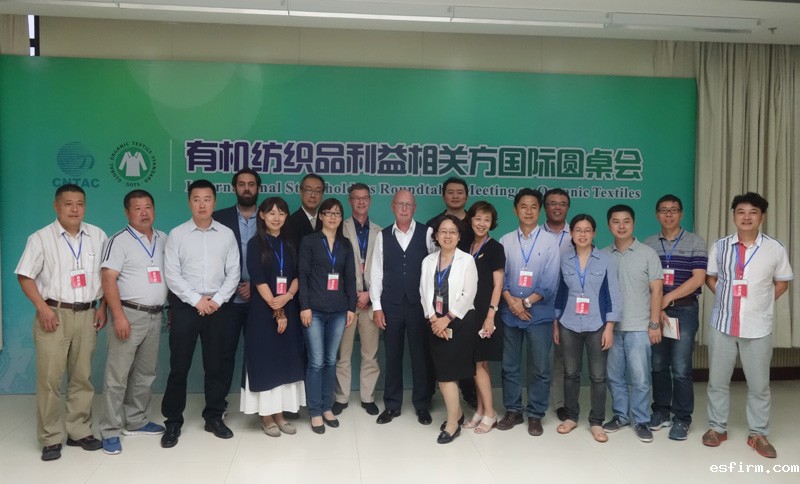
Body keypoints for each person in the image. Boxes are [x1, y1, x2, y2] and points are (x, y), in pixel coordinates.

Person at [15, 184, 108, 461]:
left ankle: (79, 430)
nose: (74, 209)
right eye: (68, 204)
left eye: (80, 203)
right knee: (50, 379)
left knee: (82, 377)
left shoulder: (98, 236)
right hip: (53, 314)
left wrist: (103, 307)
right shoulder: (40, 238)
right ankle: (51, 437)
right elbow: (25, 275)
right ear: (56, 206)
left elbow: (107, 275)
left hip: (88, 313)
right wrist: (42, 308)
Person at [703, 192, 792, 458]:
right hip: (722, 324)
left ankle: (758, 434)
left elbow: (782, 283)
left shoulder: (775, 248)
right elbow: (710, 278)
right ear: (734, 216)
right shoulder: (720, 246)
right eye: (741, 212)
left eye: (753, 212)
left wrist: (760, 303)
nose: (746, 217)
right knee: (717, 382)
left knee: (759, 385)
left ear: (762, 217)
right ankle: (717, 428)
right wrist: (726, 299)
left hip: (758, 327)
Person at [160, 179, 240, 448]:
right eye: (196, 199)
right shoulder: (177, 234)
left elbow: (234, 273)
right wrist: (197, 300)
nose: (202, 204)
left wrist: (216, 301)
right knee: (179, 366)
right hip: (186, 306)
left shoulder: (226, 234)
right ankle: (173, 422)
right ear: (189, 202)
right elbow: (172, 274)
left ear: (214, 202)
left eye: (207, 199)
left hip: (218, 307)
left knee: (215, 366)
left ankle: (214, 416)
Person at [98, 189, 168, 455]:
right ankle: (110, 430)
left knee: (145, 373)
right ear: (127, 212)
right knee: (117, 376)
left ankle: (136, 420)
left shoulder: (163, 239)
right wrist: (118, 316)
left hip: (155, 314)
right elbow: (108, 279)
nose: (144, 213)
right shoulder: (118, 241)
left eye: (148, 207)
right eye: (137, 208)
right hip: (128, 314)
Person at [643, 194, 707, 441]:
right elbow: (646, 280)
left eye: (673, 210)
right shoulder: (649, 244)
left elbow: (698, 279)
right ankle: (661, 411)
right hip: (656, 311)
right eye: (663, 210)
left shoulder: (695, 242)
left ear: (681, 214)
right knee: (658, 364)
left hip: (684, 311)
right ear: (656, 214)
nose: (668, 214)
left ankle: (682, 418)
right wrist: (657, 307)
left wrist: (667, 298)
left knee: (681, 368)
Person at [553, 214, 622, 443]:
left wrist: (609, 327)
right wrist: (556, 323)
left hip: (597, 325)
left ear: (594, 233)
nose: (582, 234)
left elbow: (613, 295)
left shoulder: (605, 260)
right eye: (578, 230)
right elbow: (560, 293)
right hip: (568, 323)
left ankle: (596, 422)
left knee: (598, 376)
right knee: (570, 373)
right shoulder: (565, 259)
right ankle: (571, 417)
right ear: (571, 233)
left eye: (587, 230)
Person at [240, 197, 305, 437]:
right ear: (262, 215)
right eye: (271, 213)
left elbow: (298, 275)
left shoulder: (290, 242)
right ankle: (266, 417)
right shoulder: (255, 244)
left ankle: (280, 414)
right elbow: (258, 280)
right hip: (263, 312)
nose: (276, 218)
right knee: (266, 362)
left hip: (289, 306)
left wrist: (287, 297)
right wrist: (277, 311)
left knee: (285, 362)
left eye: (281, 213)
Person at [497, 188, 560, 437]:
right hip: (509, 313)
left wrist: (524, 303)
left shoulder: (550, 242)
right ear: (515, 210)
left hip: (539, 315)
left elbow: (550, 282)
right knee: (509, 366)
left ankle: (535, 413)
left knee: (540, 368)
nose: (529, 211)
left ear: (540, 210)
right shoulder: (505, 241)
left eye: (534, 206)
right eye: (523, 206)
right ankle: (513, 410)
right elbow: (500, 278)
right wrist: (512, 303)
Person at [370, 190, 435, 426]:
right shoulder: (382, 236)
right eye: (400, 204)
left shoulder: (428, 233)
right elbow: (376, 273)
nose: (404, 208)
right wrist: (377, 306)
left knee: (421, 356)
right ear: (393, 206)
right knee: (393, 356)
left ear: (415, 207)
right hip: (391, 306)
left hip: (420, 306)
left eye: (409, 204)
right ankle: (392, 405)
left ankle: (422, 404)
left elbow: (435, 269)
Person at [602, 204, 663, 443]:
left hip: (639, 327)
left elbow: (657, 291)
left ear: (633, 224)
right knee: (614, 376)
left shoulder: (648, 253)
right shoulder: (603, 255)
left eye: (626, 221)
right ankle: (620, 416)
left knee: (640, 378)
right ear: (609, 225)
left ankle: (641, 419)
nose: (621, 226)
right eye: (616, 221)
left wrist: (654, 323)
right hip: (611, 328)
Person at [298, 198, 357, 434]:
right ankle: (315, 411)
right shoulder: (309, 241)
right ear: (321, 216)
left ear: (341, 218)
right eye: (328, 213)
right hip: (314, 310)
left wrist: (351, 307)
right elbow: (302, 275)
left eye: (337, 213)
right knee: (316, 361)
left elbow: (350, 279)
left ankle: (326, 407)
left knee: (332, 360)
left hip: (339, 310)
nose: (333, 217)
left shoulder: (345, 244)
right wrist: (304, 306)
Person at [420, 215, 478, 444]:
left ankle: (453, 424)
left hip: (460, 321)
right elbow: (423, 292)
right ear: (436, 236)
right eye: (443, 231)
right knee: (443, 372)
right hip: (435, 322)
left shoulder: (467, 260)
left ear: (459, 236)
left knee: (448, 373)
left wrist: (447, 319)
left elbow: (469, 294)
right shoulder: (428, 261)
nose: (447, 236)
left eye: (452, 232)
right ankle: (458, 414)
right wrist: (434, 318)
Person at [425, 177, 477, 408]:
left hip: (464, 300)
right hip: (437, 302)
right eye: (450, 192)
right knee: (438, 355)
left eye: (460, 192)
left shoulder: (473, 223)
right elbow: (428, 266)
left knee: (464, 355)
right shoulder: (432, 224)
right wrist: (434, 317)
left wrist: (450, 316)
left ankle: (469, 395)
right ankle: (435, 396)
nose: (455, 196)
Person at [213, 168, 261, 414]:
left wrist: (256, 285)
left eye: (251, 184)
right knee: (224, 355)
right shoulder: (218, 218)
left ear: (258, 188)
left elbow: (278, 260)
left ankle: (259, 405)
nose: (246, 188)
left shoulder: (270, 217)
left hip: (260, 299)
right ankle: (218, 405)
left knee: (258, 354)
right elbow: (211, 261)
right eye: (242, 184)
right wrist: (233, 285)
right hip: (228, 301)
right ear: (234, 188)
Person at [333, 183, 382, 416]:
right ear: (350, 201)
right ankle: (341, 398)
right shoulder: (339, 228)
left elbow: (384, 269)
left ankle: (367, 397)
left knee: (370, 354)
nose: (361, 202)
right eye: (356, 198)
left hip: (371, 300)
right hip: (346, 303)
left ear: (370, 201)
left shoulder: (380, 232)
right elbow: (334, 266)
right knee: (342, 354)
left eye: (365, 198)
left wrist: (369, 294)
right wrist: (353, 295)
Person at [457, 201, 505, 433]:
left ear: (492, 222)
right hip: (468, 313)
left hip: (486, 313)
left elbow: (498, 285)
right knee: (478, 363)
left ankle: (490, 413)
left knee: (478, 365)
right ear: (471, 220)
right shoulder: (466, 246)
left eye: (487, 219)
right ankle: (480, 409)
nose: (482, 223)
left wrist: (491, 315)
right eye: (478, 218)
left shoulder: (495, 248)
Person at [543, 188, 572, 422]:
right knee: (538, 355)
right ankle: (537, 401)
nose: (557, 207)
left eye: (562, 204)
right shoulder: (535, 234)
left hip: (568, 303)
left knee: (563, 356)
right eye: (553, 203)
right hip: (539, 301)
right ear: (545, 207)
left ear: (567, 208)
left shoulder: (578, 233)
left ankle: (561, 403)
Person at [286, 173, 325, 248]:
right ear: (301, 192)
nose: (313, 195)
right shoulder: (290, 222)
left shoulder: (326, 221)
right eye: (308, 190)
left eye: (318, 191)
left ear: (322, 195)